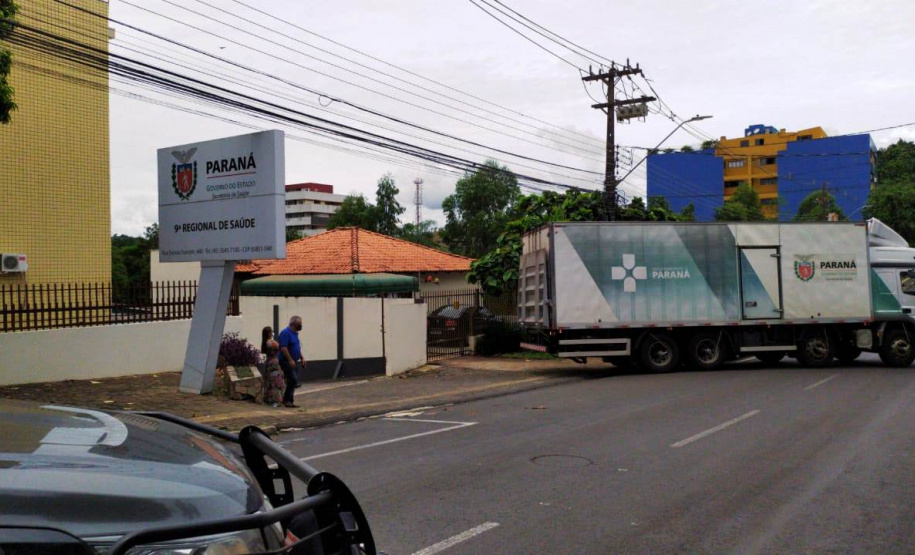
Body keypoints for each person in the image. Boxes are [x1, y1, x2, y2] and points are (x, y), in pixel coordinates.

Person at [278, 315, 306, 408]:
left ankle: (290, 400)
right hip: (286, 361)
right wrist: (290, 360)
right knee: (293, 380)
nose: (301, 326)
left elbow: (297, 347)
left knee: (293, 381)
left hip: (294, 360)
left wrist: (301, 357)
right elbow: (283, 347)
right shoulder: (285, 333)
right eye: (300, 324)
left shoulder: (295, 333)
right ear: (294, 324)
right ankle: (286, 400)